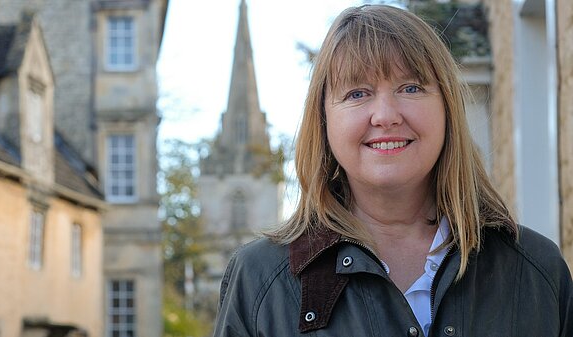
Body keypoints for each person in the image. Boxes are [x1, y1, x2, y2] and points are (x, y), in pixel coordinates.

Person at [213, 4, 573, 337]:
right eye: (357, 93)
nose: (386, 115)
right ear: (323, 120)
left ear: (447, 108)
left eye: (411, 87)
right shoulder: (259, 281)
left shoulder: (537, 271)